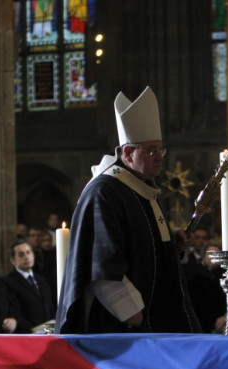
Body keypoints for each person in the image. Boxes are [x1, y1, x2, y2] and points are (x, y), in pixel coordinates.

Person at [54, 86, 200, 334]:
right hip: (125, 330)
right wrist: (135, 317)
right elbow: (103, 268)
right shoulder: (105, 192)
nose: (160, 157)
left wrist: (172, 243)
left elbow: (140, 248)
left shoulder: (142, 188)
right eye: (151, 150)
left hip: (154, 324)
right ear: (128, 153)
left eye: (160, 149)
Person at [4, 240, 55, 330]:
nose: (26, 257)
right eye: (21, 254)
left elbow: (50, 306)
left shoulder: (41, 280)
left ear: (33, 255)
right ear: (13, 261)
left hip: (47, 331)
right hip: (27, 332)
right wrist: (31, 330)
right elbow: (14, 312)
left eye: (28, 252)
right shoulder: (8, 282)